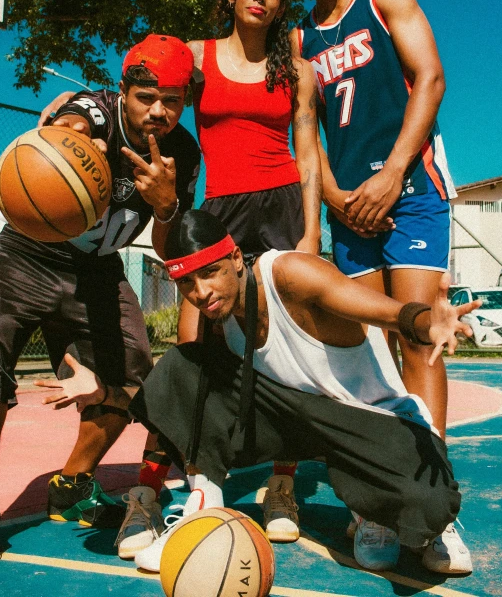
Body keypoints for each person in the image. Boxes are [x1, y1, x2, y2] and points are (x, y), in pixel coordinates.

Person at [57, 209, 476, 574]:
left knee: (431, 506)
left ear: (236, 259)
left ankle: (377, 509)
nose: (200, 293)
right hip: (295, 420)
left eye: (210, 273)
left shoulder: (288, 274)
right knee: (185, 365)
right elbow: (189, 401)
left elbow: (376, 307)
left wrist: (425, 322)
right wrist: (107, 392)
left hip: (370, 418)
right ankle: (204, 508)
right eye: (188, 284)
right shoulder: (222, 319)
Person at [0, 34, 200, 575]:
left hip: (95, 267)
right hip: (20, 247)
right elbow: (72, 122)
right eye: (147, 96)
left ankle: (72, 484)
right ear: (123, 92)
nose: (159, 110)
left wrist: (164, 205)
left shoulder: (181, 154)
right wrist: (73, 142)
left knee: (137, 375)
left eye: (173, 98)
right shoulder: (94, 111)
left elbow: (165, 250)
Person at [289, 0, 470, 572]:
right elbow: (305, 125)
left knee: (419, 336)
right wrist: (335, 198)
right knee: (365, 355)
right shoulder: (299, 38)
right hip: (347, 208)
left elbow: (431, 79)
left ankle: (434, 502)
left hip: (410, 190)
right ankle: (373, 502)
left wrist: (392, 173)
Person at [182, 0, 321, 543]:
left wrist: (311, 233)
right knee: (204, 340)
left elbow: (309, 153)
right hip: (222, 209)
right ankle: (201, 477)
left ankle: (283, 481)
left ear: (280, 4)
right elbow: (142, 101)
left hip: (284, 201)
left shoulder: (298, 70)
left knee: (288, 342)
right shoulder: (195, 56)